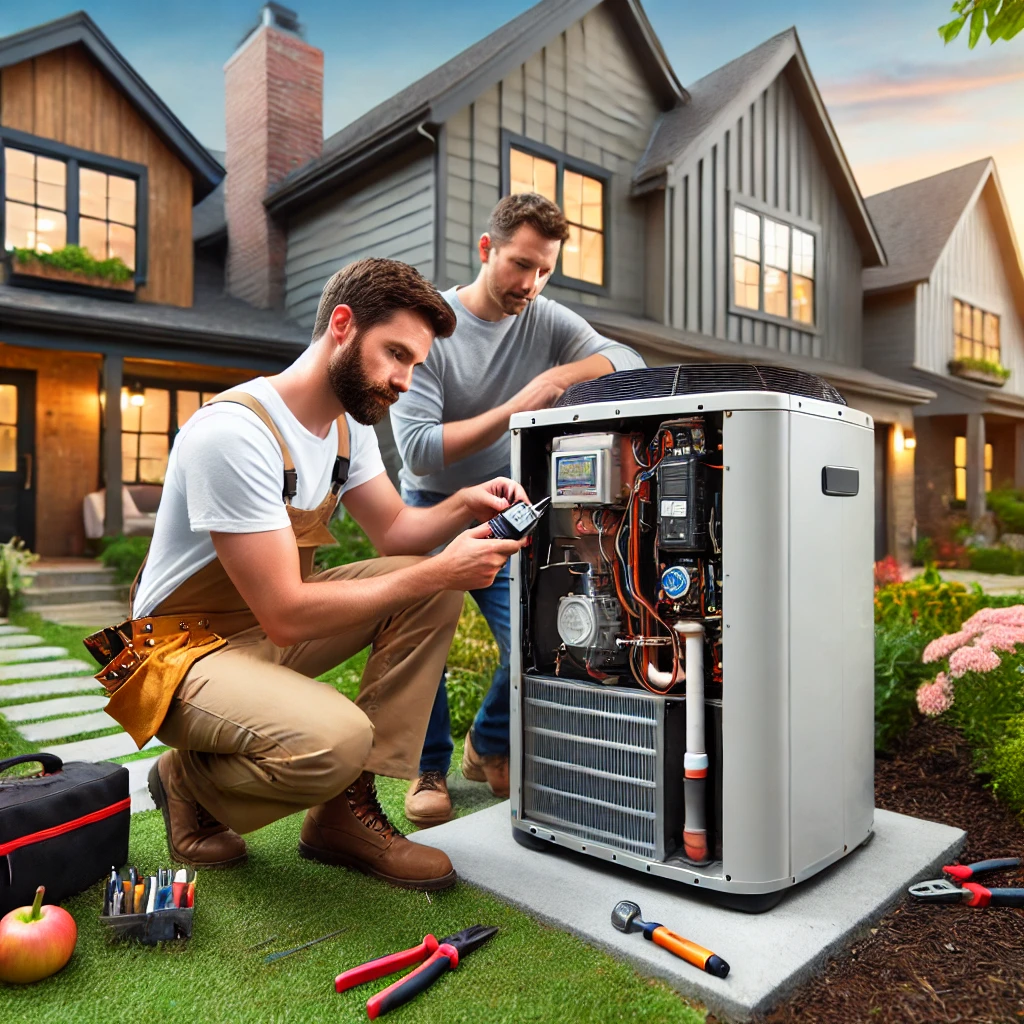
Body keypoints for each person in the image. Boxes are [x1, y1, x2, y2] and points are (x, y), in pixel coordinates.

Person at [89, 258, 529, 891]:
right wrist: (440, 572)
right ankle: (186, 779)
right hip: (174, 653)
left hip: (260, 628)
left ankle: (343, 816)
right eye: (395, 355)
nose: (404, 381)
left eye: (414, 365)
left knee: (429, 591)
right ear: (343, 326)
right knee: (336, 737)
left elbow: (396, 533)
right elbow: (287, 614)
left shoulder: (348, 425)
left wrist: (465, 504)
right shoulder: (234, 433)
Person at [390, 193, 645, 827]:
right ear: (487, 250)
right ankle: (429, 766)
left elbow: (631, 361)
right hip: (431, 509)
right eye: (520, 265)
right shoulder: (433, 328)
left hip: (508, 509)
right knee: (426, 644)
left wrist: (558, 380)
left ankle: (490, 744)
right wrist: (518, 406)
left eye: (545, 270)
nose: (530, 284)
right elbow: (419, 452)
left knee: (542, 638)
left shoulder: (545, 317)